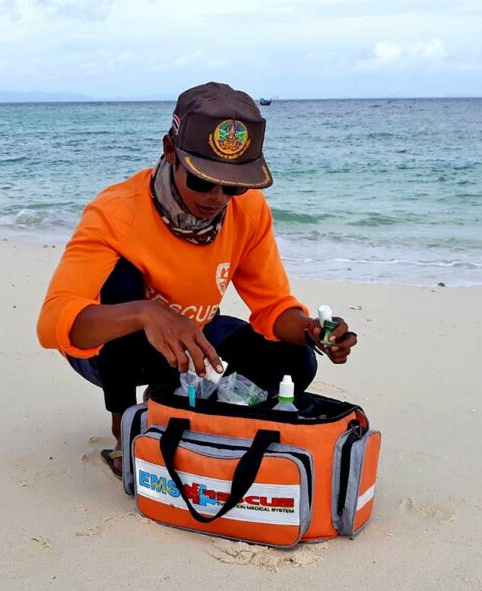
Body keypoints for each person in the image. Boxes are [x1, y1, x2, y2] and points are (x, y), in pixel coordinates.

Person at [36, 82, 358, 476]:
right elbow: (53, 324)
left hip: (196, 336)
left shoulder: (249, 211)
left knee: (296, 361)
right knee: (121, 279)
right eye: (203, 180)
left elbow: (272, 306)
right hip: (115, 352)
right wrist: (146, 313)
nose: (218, 197)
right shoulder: (116, 212)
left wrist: (310, 330)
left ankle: (207, 417)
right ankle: (125, 432)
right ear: (170, 152)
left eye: (233, 185)